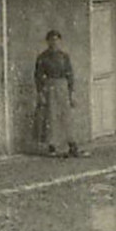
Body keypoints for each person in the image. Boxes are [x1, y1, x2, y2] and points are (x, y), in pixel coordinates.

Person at [34, 29, 79, 157]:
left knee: (66, 116)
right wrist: (40, 93)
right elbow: (37, 76)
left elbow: (70, 75)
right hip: (50, 88)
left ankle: (71, 144)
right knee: (51, 117)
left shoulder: (64, 57)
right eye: (51, 40)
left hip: (62, 87)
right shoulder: (42, 58)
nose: (54, 43)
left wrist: (71, 93)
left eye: (57, 40)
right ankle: (52, 146)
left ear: (60, 41)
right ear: (47, 42)